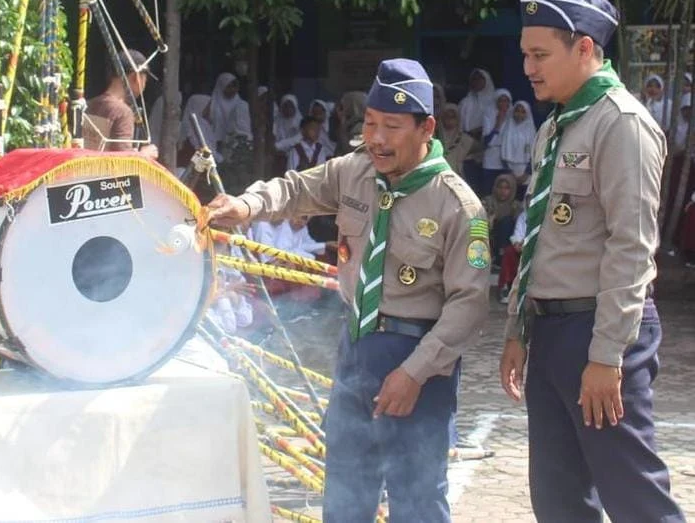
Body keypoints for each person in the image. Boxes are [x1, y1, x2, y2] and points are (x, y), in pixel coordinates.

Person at [204, 58, 489, 522]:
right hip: (355, 350)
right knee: (345, 494)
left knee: (417, 499)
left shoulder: (457, 205)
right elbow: (296, 189)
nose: (376, 138)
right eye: (371, 124)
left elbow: (469, 306)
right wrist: (245, 204)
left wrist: (414, 372)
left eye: (391, 127)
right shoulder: (354, 172)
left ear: (426, 128)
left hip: (417, 359)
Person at [500, 0, 685, 523]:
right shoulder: (557, 126)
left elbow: (631, 250)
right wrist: (517, 327)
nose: (529, 67)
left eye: (540, 55)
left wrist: (606, 356)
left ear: (583, 48)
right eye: (525, 55)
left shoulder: (621, 124)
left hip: (601, 332)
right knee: (558, 499)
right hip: (552, 329)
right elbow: (541, 240)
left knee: (634, 495)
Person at [85, 49, 158, 157]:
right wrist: (144, 155)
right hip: (106, 173)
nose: (144, 85)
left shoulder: (89, 104)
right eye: (145, 79)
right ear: (136, 77)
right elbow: (123, 162)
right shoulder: (123, 112)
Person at [458, 68, 495, 193]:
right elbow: (460, 126)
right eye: (474, 79)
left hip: (490, 150)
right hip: (468, 148)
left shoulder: (495, 102)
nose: (477, 82)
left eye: (480, 79)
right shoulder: (466, 102)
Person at [482, 173, 520, 268]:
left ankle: (502, 257)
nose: (502, 191)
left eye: (507, 188)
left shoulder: (516, 206)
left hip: (508, 242)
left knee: (506, 222)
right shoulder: (487, 202)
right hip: (490, 238)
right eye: (500, 187)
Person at [207, 73, 252, 150]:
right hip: (215, 144)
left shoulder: (242, 105)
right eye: (228, 86)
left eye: (234, 87)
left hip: (237, 144)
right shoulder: (213, 105)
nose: (232, 90)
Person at [500, 100, 536, 196]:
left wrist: (525, 174)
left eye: (523, 112)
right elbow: (502, 153)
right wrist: (510, 173)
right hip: (509, 171)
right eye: (517, 111)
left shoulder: (531, 131)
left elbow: (534, 154)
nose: (519, 114)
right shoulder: (507, 129)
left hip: (526, 174)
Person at [480, 88, 512, 195]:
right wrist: (498, 124)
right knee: (489, 191)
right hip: (490, 160)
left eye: (506, 100)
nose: (503, 103)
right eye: (501, 100)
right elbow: (486, 141)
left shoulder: (513, 117)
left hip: (507, 160)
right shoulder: (488, 116)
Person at [437, 103, 478, 175]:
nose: (449, 119)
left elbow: (480, 150)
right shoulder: (434, 137)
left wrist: (467, 159)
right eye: (447, 116)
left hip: (457, 176)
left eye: (453, 116)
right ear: (442, 118)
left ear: (458, 118)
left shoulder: (465, 139)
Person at [497, 209, 526, 303]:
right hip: (523, 249)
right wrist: (518, 244)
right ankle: (505, 287)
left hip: (539, 249)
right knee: (509, 251)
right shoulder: (523, 216)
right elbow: (517, 235)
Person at [335, 90, 368, 155]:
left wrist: (343, 126)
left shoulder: (359, 127)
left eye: (345, 104)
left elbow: (354, 150)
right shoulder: (352, 123)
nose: (343, 108)